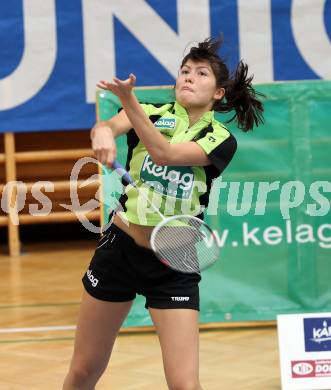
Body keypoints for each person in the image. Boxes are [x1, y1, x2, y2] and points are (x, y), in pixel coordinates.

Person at [63, 37, 264, 390]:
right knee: (83, 370)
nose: (188, 77)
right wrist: (104, 133)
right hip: (120, 250)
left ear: (218, 93)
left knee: (185, 384)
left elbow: (166, 155)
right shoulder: (153, 112)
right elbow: (108, 126)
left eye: (201, 73)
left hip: (174, 259)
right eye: (184, 71)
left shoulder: (220, 138)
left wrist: (128, 100)